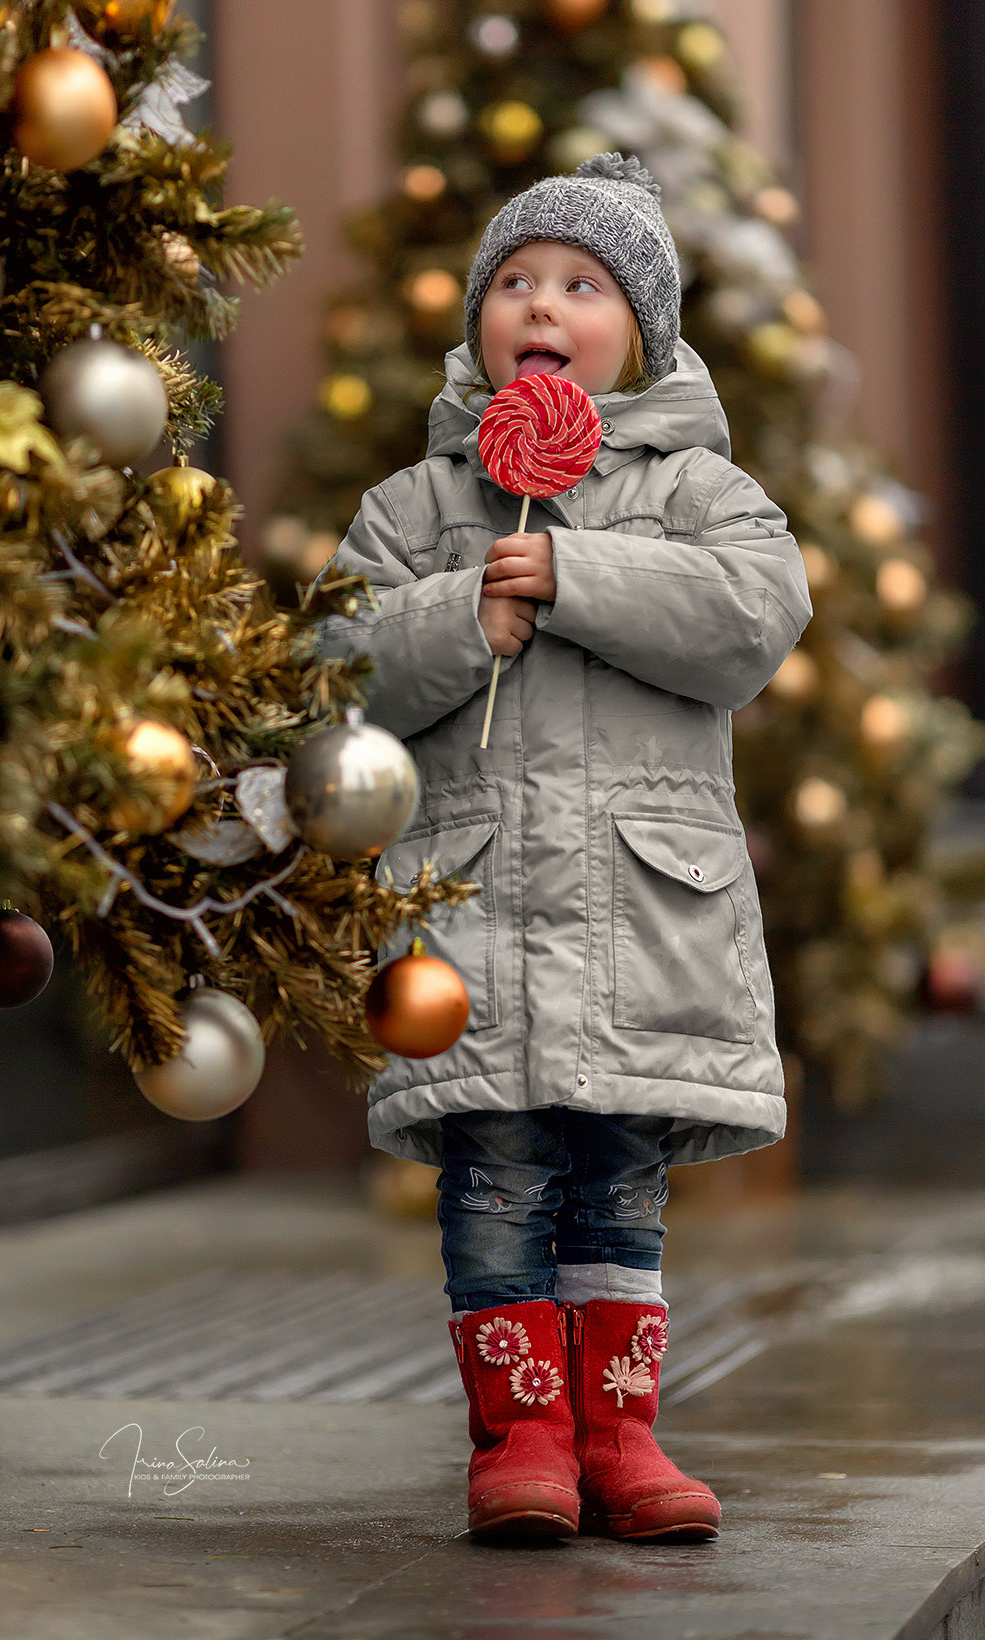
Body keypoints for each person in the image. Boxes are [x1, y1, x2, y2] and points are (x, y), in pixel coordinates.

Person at [320, 153, 812, 1543]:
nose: (543, 305)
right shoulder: (419, 508)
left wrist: (579, 575)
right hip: (474, 905)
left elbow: (754, 616)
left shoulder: (697, 487)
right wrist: (449, 620)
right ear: (479, 319)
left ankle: (622, 1439)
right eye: (515, 283)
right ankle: (519, 1436)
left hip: (638, 911)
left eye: (582, 286)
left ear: (643, 332)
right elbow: (331, 668)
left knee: (616, 1174)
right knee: (497, 1172)